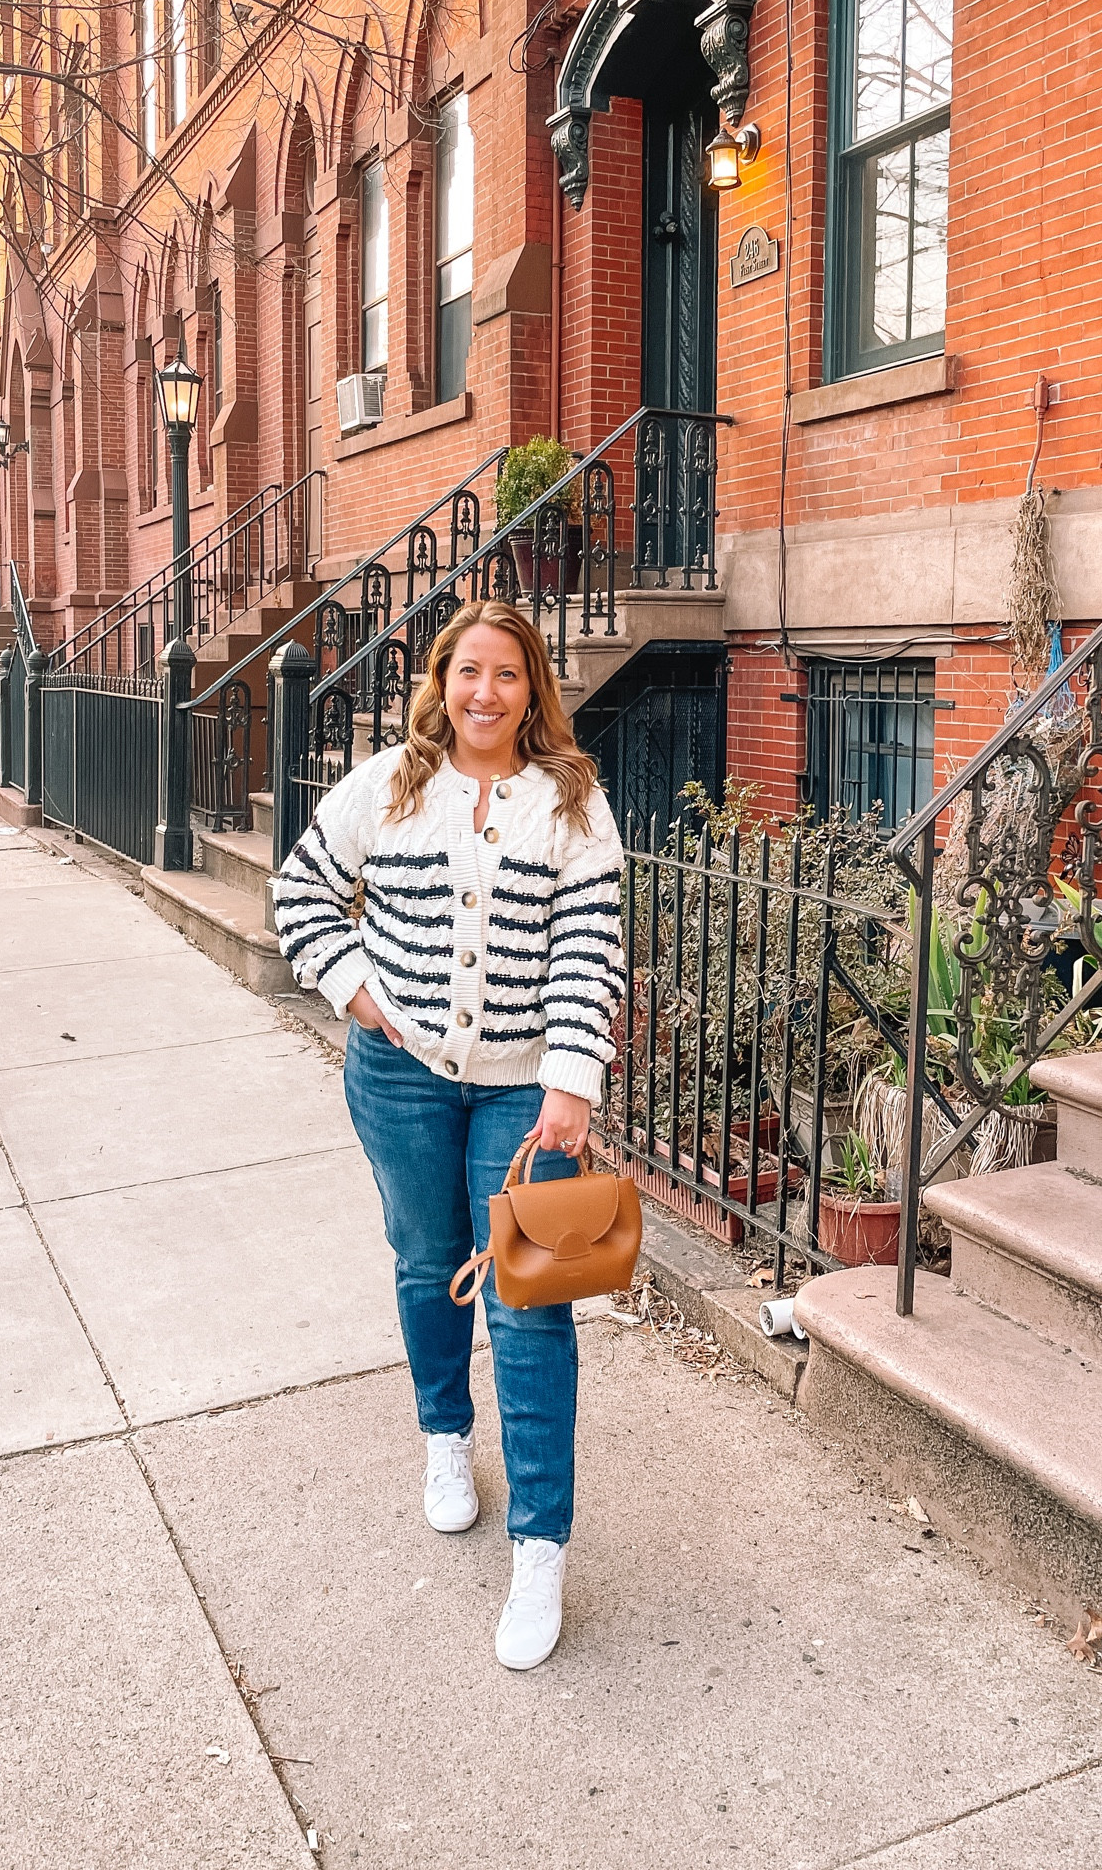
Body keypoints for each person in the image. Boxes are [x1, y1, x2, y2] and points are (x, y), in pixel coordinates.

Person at [272, 601, 625, 1671]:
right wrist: (358, 991)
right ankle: (444, 1438)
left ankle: (541, 1548)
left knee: (531, 1308)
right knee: (427, 1265)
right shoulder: (384, 785)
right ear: (441, 679)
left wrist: (571, 1077)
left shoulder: (573, 805)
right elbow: (301, 891)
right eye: (468, 671)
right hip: (400, 1079)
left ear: (532, 689)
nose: (484, 692)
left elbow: (591, 947)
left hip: (526, 1096)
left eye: (506, 675)